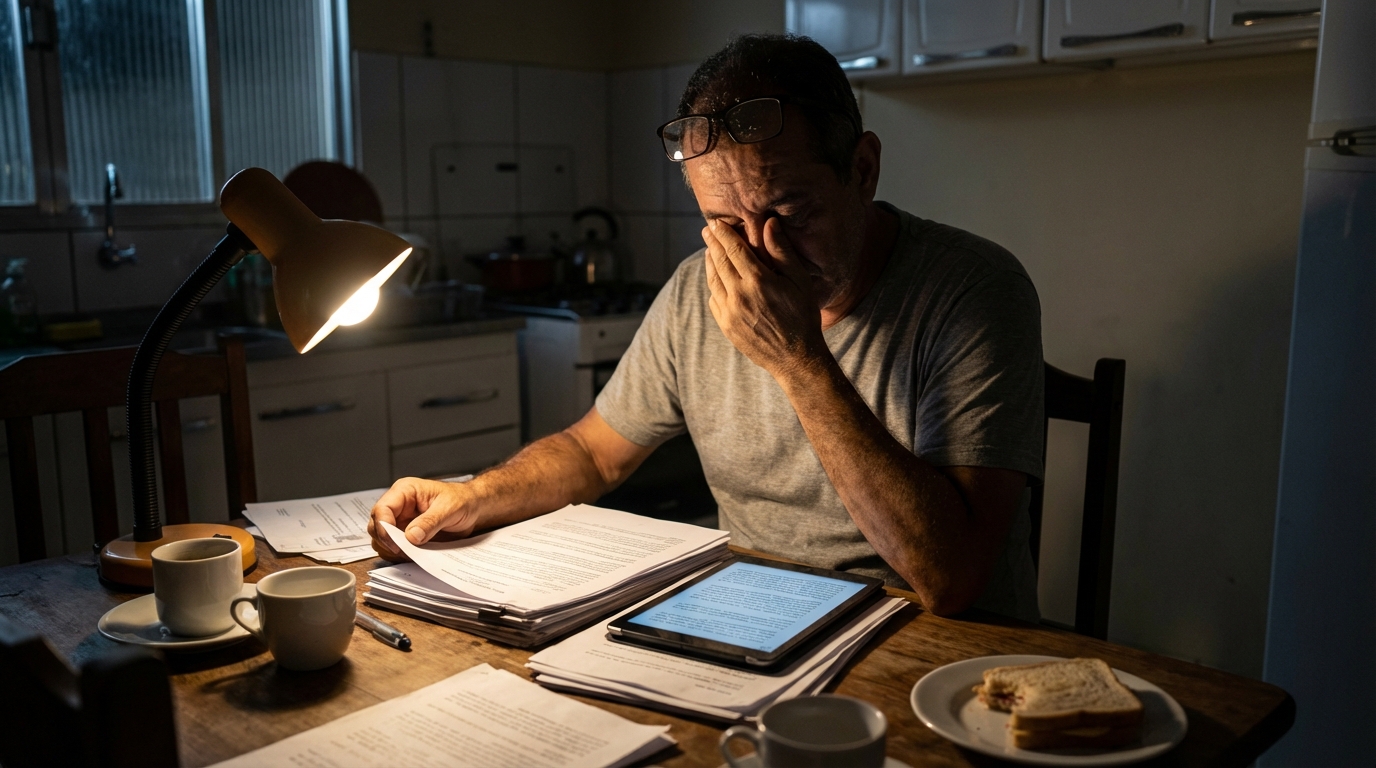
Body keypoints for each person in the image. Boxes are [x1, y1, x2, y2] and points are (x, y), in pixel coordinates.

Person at [369, 34, 1045, 621]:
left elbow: (950, 580)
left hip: (935, 644)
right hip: (758, 617)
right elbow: (594, 453)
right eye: (726, 222)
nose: (758, 253)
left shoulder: (975, 290)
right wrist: (473, 496)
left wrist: (798, 360)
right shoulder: (698, 287)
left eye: (791, 210)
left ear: (862, 170)